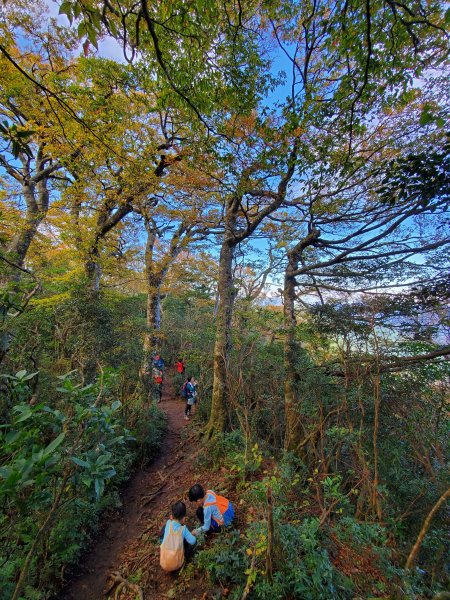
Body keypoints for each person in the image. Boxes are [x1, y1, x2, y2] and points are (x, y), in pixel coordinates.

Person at [159, 501, 196, 571]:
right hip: (177, 564)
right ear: (184, 518)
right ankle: (186, 559)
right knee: (186, 541)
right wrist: (191, 534)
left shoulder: (168, 523)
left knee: (165, 529)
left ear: (172, 516)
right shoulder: (183, 529)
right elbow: (193, 541)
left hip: (163, 562)